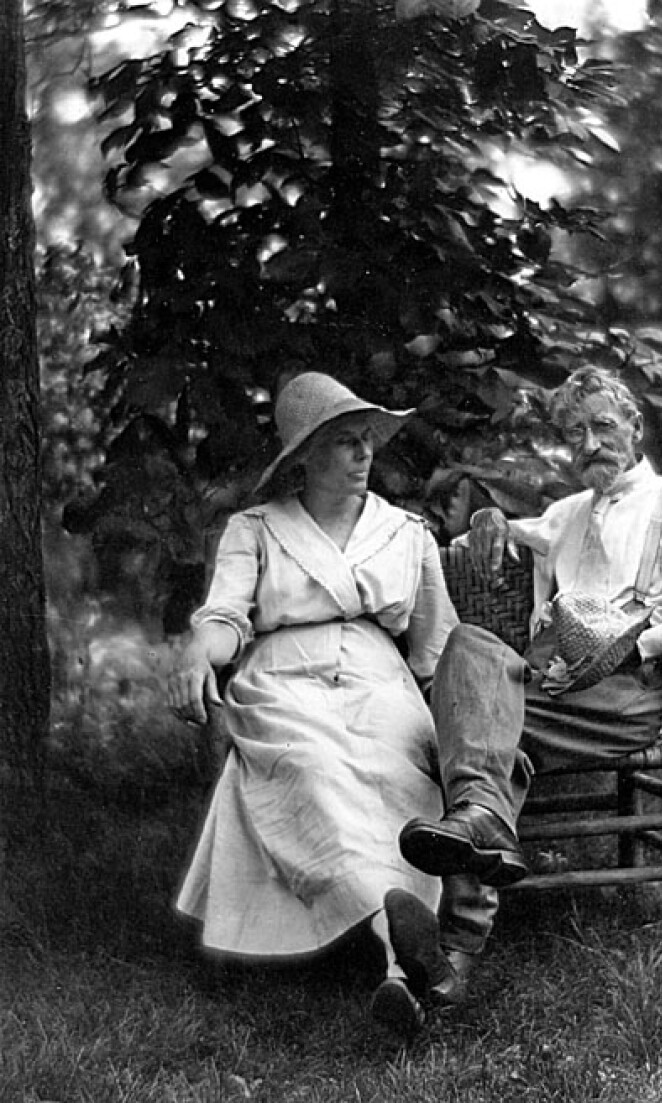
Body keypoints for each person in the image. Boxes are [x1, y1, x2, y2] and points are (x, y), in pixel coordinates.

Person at [397, 366, 662, 972]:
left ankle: (458, 937)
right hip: (546, 691)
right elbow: (505, 531)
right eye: (574, 432)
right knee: (470, 647)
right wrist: (487, 521)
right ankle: (465, 909)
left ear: (634, 427)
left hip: (621, 699)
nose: (589, 445)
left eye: (603, 427)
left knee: (467, 730)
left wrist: (634, 646)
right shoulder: (566, 513)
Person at [168, 371, 464, 1037]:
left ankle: (399, 969)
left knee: (396, 776)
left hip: (376, 678)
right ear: (304, 454)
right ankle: (407, 954)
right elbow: (224, 618)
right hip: (283, 680)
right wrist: (197, 650)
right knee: (313, 771)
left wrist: (448, 716)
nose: (365, 455)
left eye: (368, 440)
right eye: (346, 442)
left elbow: (435, 647)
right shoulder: (257, 530)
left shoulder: (405, 532)